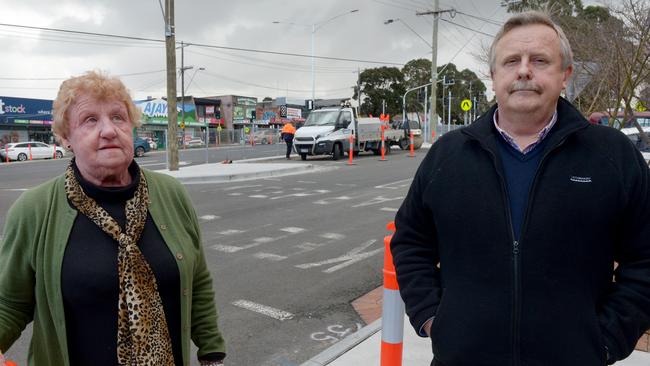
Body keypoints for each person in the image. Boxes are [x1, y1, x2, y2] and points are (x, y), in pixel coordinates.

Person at [391, 11, 650, 366]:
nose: (524, 70)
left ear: (565, 76)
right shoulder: (447, 156)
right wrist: (433, 317)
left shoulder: (612, 156)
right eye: (511, 61)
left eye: (540, 60)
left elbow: (645, 257)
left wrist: (606, 338)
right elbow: (411, 240)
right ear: (494, 76)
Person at [0, 71, 226, 366]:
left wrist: (212, 353)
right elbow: (10, 303)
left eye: (118, 117)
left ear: (131, 126)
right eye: (90, 120)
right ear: (66, 137)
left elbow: (197, 280)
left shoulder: (172, 194)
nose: (108, 130)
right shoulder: (34, 209)